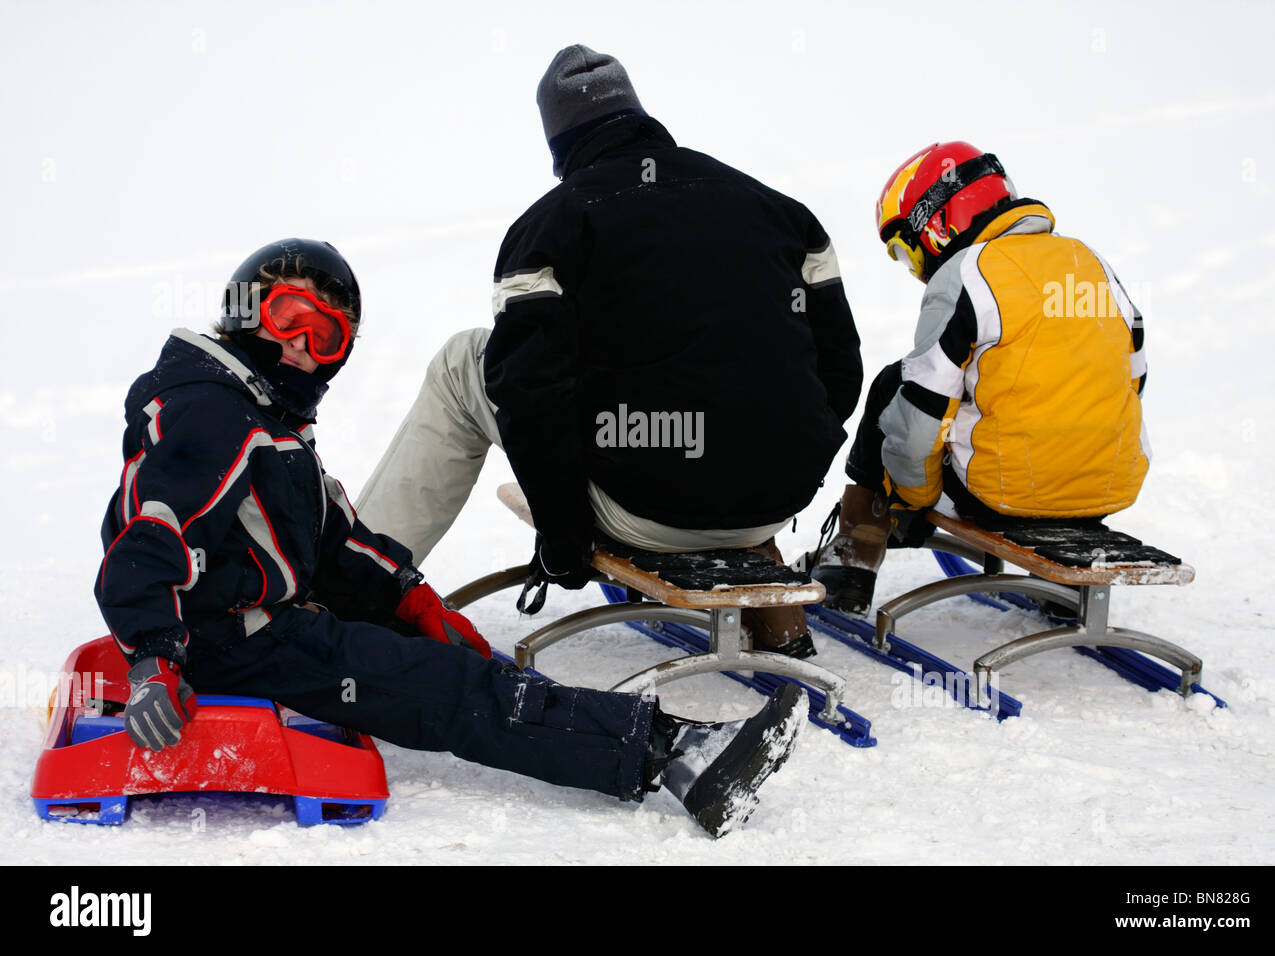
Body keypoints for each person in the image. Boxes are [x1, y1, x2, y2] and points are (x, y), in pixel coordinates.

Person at [93, 238, 808, 838]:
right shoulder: (212, 414)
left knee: (460, 661)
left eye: (327, 335)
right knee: (452, 690)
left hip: (263, 623)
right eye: (288, 317)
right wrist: (155, 658)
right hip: (231, 644)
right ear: (244, 310)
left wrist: (413, 604)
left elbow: (335, 539)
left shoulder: (267, 422)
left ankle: (643, 736)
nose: (305, 350)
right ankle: (672, 755)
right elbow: (145, 538)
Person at [357, 45, 862, 657]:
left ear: (560, 148)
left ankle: (353, 584)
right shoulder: (780, 211)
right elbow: (841, 368)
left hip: (648, 510)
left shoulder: (554, 224)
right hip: (776, 501)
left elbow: (528, 393)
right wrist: (776, 462)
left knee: (465, 359)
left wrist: (563, 536)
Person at [809, 142, 1150, 612]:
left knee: (895, 385)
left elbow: (921, 416)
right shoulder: (1093, 263)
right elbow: (1133, 378)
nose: (916, 270)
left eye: (905, 252)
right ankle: (1066, 578)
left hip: (998, 494)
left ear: (937, 224)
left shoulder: (967, 273)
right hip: (1108, 488)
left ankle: (854, 556)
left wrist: (914, 501)